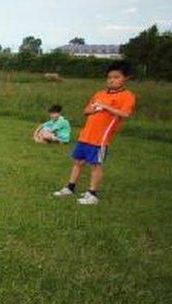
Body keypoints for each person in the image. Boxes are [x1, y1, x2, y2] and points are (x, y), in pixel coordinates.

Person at [53, 61, 137, 205]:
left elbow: (125, 114)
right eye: (110, 77)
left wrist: (105, 107)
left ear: (126, 78)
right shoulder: (100, 94)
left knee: (95, 165)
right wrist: (95, 108)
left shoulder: (127, 96)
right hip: (86, 135)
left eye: (117, 77)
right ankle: (70, 187)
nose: (112, 80)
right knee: (78, 161)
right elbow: (86, 110)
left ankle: (92, 193)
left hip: (101, 138)